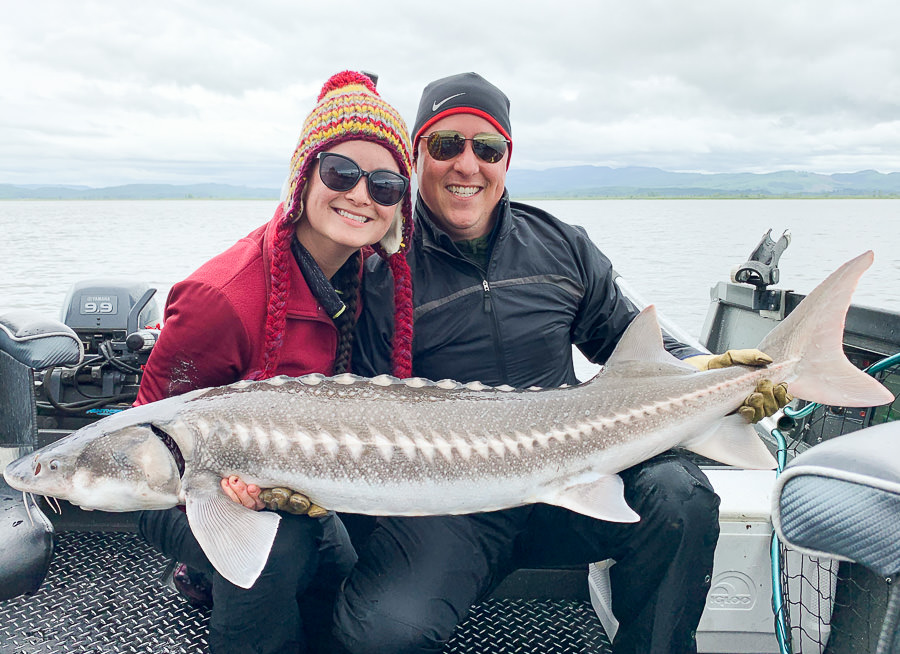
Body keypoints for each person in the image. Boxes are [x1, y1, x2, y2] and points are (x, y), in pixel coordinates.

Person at [330, 72, 790, 654]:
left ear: (506, 159)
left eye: (486, 148)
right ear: (417, 155)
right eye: (446, 145)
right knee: (379, 636)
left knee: (679, 496)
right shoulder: (378, 268)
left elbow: (632, 348)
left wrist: (716, 374)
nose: (466, 165)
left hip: (575, 475)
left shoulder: (560, 245)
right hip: (450, 507)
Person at [134, 70, 414, 654]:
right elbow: (147, 438)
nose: (361, 195)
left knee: (345, 571)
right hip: (176, 489)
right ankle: (212, 572)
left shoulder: (367, 277)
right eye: (341, 172)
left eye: (385, 185)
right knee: (277, 550)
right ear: (304, 176)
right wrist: (212, 487)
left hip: (291, 480)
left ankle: (218, 580)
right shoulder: (221, 299)